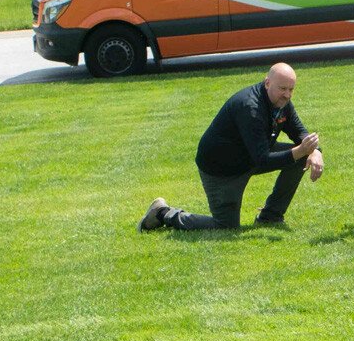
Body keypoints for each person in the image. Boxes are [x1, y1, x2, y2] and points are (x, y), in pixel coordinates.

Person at [138, 62, 323, 231]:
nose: (287, 95)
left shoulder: (281, 102)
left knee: (303, 156)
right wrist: (301, 151)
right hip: (222, 169)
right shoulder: (250, 108)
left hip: (249, 156)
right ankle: (163, 212)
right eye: (283, 88)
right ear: (267, 83)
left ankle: (270, 216)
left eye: (291, 89)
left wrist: (313, 151)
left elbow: (299, 132)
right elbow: (263, 160)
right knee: (225, 226)